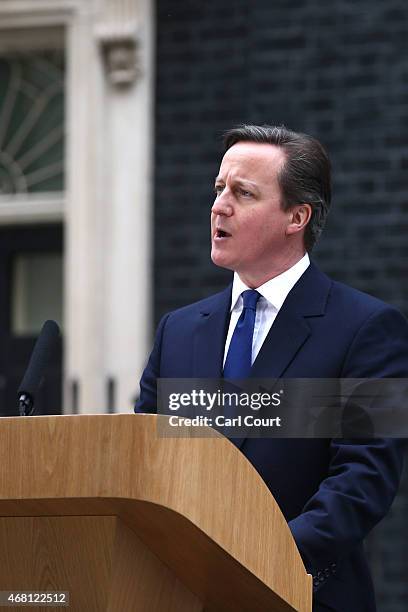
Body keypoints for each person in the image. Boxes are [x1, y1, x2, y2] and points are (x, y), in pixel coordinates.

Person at [135, 125, 408, 611]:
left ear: (297, 217)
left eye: (243, 193)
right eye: (219, 188)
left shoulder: (367, 328)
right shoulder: (177, 331)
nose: (219, 205)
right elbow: (147, 465)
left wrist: (257, 558)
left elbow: (362, 481)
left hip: (301, 595)